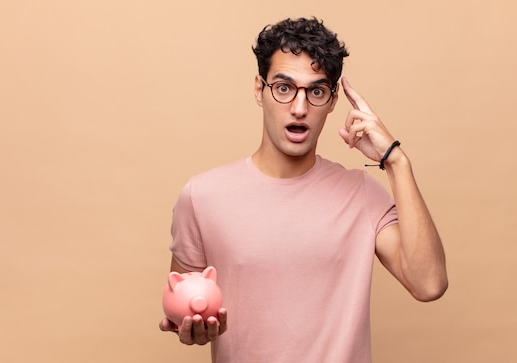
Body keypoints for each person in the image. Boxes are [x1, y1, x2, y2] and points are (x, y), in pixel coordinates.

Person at [159, 17, 448, 362]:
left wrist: (396, 161)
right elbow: (184, 306)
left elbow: (429, 284)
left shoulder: (363, 195)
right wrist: (191, 327)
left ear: (332, 100)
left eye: (316, 91)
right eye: (284, 88)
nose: (299, 108)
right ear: (259, 89)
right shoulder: (202, 196)